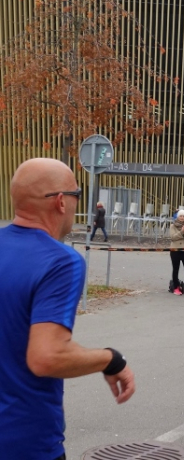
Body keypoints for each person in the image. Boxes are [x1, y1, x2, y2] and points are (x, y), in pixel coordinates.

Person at [0, 158, 135, 460]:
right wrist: (110, 359)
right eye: (77, 194)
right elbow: (47, 357)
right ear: (61, 201)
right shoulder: (60, 261)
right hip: (24, 444)